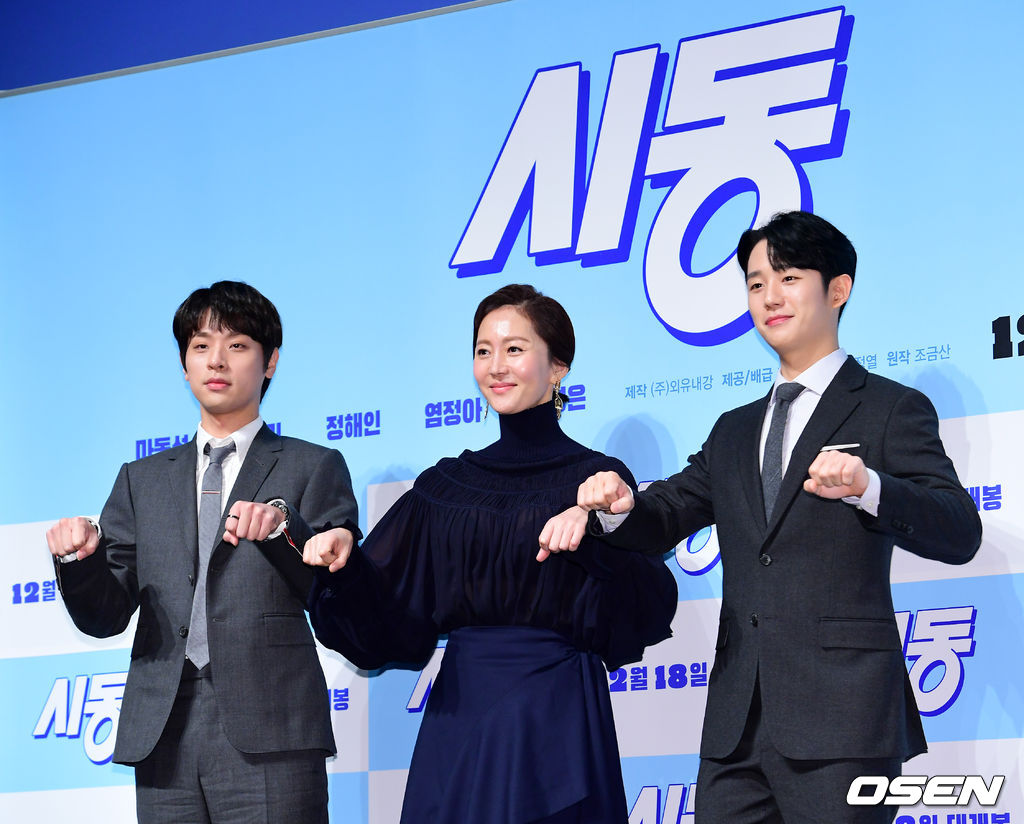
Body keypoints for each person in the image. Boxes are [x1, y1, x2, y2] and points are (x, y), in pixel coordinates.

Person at [543, 211, 983, 823]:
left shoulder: (889, 409)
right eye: (755, 283)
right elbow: (665, 514)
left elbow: (959, 529)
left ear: (838, 289)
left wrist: (870, 487)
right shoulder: (734, 429)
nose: (769, 297)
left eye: (788, 277)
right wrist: (622, 507)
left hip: (845, 719)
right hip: (736, 724)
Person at [304, 284, 677, 824]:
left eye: (515, 349)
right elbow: (391, 611)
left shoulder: (597, 481)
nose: (496, 366)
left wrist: (599, 529)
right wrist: (347, 564)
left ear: (557, 368)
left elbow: (646, 602)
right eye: (484, 350)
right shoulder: (445, 488)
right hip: (462, 713)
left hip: (557, 712)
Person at [45, 281, 360, 824]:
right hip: (163, 729)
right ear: (184, 363)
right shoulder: (141, 480)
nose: (216, 360)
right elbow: (105, 616)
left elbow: (335, 595)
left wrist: (285, 530)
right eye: (200, 345)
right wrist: (80, 561)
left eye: (237, 345)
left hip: (273, 729)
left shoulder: (312, 466)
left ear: (270, 361)